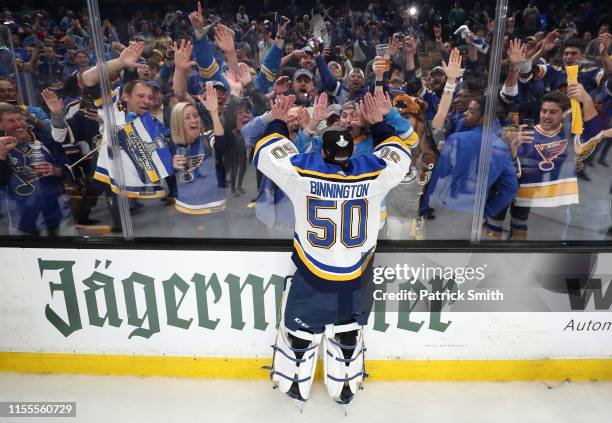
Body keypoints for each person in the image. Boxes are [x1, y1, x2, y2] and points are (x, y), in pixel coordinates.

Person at [260, 92, 416, 404]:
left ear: (324, 152)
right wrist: (381, 124)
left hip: (313, 272)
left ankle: (296, 383)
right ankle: (343, 384)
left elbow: (268, 153)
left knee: (300, 334)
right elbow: (399, 154)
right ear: (351, 153)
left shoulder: (301, 173)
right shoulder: (374, 175)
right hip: (356, 275)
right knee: (347, 331)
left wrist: (277, 122)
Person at [0, 102, 75, 236]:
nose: (19, 124)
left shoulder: (45, 140)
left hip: (59, 217)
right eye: (11, 121)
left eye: (20, 118)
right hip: (20, 224)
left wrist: (55, 170)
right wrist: (1, 156)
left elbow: (70, 171)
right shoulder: (1, 148)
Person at [170, 82, 231, 237]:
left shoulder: (208, 138)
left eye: (195, 116)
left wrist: (214, 113)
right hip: (184, 211)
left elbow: (222, 145)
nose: (194, 120)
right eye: (188, 117)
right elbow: (161, 178)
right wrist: (170, 167)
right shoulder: (171, 146)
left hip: (214, 210)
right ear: (178, 123)